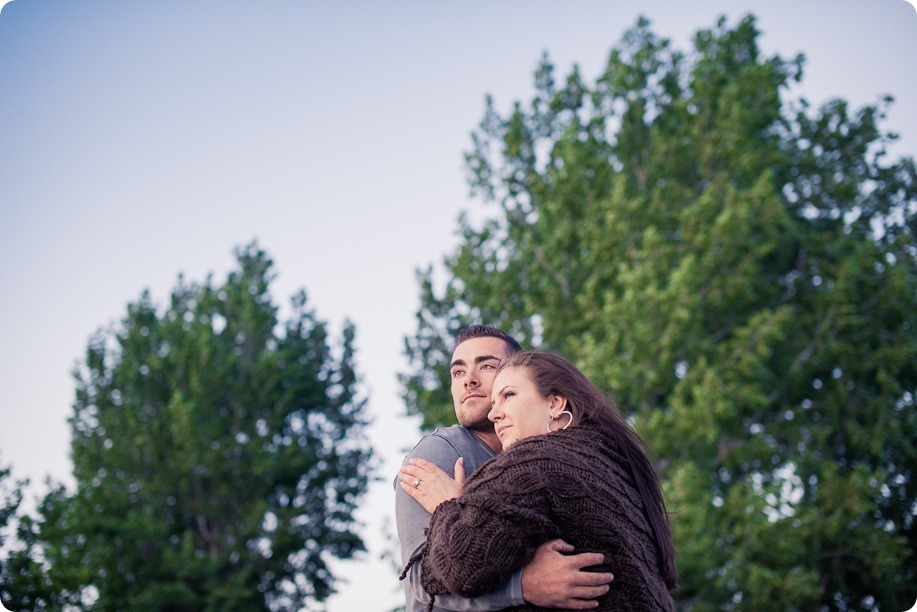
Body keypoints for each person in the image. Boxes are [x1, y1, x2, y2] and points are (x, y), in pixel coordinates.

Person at [401, 350, 678, 611]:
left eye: (508, 395)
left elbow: (457, 566)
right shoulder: (615, 465)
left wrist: (449, 504)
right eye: (494, 402)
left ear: (555, 403)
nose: (494, 413)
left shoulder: (534, 461)